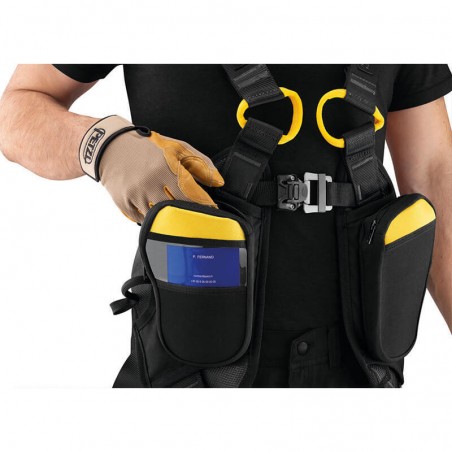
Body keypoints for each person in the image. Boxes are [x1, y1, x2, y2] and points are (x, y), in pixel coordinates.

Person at [0, 64, 451, 387]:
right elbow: (17, 110)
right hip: (192, 367)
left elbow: (434, 172)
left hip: (363, 370)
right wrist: (102, 145)